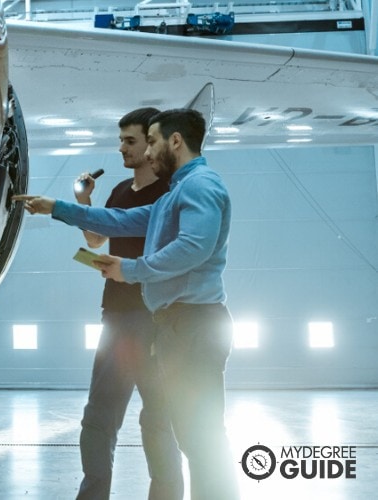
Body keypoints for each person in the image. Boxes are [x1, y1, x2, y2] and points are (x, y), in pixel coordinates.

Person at [13, 108, 240, 500]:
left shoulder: (199, 186)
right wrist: (59, 208)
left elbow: (193, 248)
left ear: (174, 141)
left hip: (194, 324)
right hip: (176, 324)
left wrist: (131, 269)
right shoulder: (178, 192)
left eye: (151, 141)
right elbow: (121, 221)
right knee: (192, 435)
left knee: (198, 436)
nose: (148, 151)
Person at [72, 108, 183, 500]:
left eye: (131, 141)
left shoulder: (171, 196)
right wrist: (83, 199)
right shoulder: (120, 191)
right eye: (121, 140)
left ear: (152, 143)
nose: (122, 148)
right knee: (99, 418)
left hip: (156, 320)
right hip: (116, 317)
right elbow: (96, 240)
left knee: (158, 420)